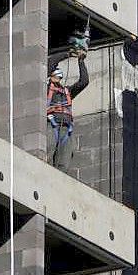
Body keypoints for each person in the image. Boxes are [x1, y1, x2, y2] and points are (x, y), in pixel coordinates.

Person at [47, 30, 90, 170]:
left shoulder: (67, 91)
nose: (58, 75)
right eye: (56, 72)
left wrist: (81, 61)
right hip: (51, 124)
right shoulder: (46, 88)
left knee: (63, 162)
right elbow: (50, 62)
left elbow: (83, 81)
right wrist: (68, 54)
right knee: (47, 153)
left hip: (66, 128)